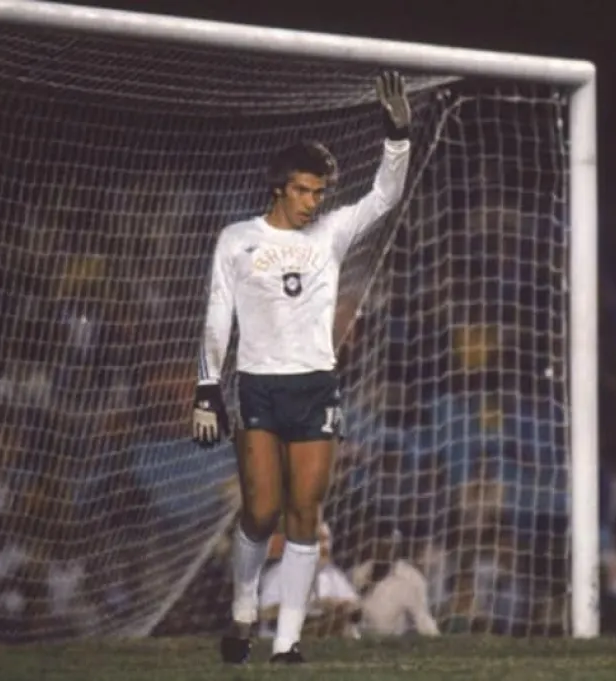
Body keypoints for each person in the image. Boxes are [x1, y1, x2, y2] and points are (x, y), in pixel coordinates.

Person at [192, 71, 412, 665]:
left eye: (320, 191)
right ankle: (243, 604)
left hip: (317, 385)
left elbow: (384, 197)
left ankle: (287, 640)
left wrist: (397, 139)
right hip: (259, 385)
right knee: (261, 512)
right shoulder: (237, 239)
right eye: (305, 190)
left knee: (306, 518)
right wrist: (207, 386)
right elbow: (218, 315)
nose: (315, 200)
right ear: (279, 187)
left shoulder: (333, 233)